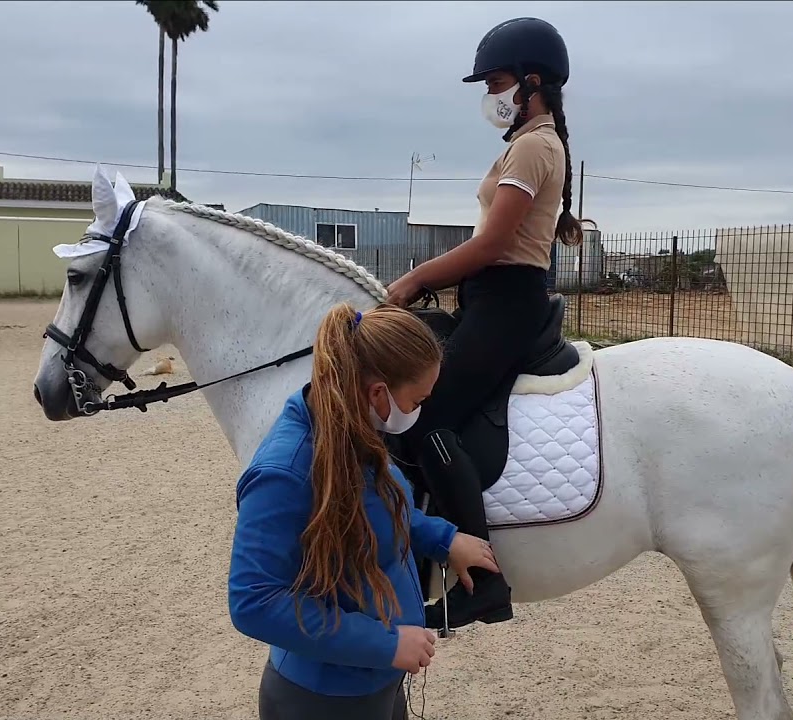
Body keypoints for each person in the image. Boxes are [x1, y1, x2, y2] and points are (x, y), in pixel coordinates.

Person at [384, 17, 583, 630]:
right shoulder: (532, 143)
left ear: (532, 82)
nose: (489, 96)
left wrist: (417, 279)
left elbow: (495, 244)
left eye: (496, 82)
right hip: (491, 299)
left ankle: (484, 582)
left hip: (507, 302)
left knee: (426, 417)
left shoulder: (533, 145)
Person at [228, 303, 502, 720]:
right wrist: (386, 645)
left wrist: (442, 539)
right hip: (325, 700)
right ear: (379, 393)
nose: (418, 411)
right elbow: (254, 601)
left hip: (375, 680)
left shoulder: (353, 428)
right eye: (417, 400)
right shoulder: (284, 473)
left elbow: (382, 509)